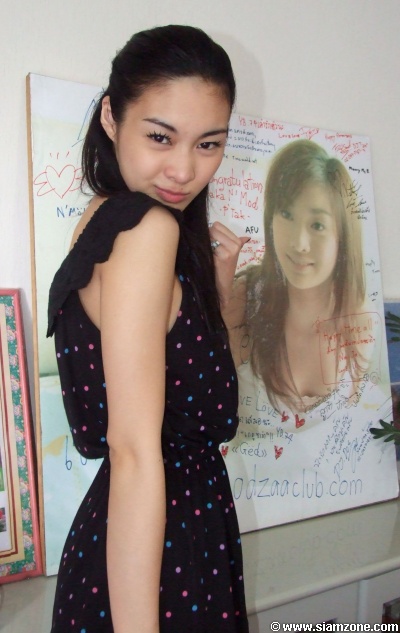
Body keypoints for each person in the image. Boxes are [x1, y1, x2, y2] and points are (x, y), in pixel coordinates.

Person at [47, 25, 249, 633]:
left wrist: (217, 294)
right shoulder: (145, 229)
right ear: (111, 117)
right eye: (160, 136)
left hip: (154, 541)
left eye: (209, 144)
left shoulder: (106, 220)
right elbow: (135, 452)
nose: (184, 169)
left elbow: (203, 393)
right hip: (162, 560)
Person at [223, 139, 378, 418]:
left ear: (343, 235)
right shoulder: (244, 299)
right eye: (286, 214)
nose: (299, 243)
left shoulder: (360, 319)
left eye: (317, 225)